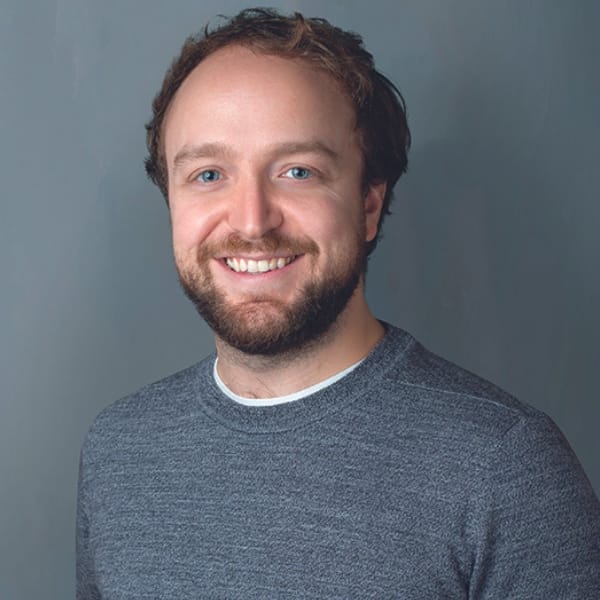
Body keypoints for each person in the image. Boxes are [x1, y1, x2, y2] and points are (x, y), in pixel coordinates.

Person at [76, 8, 600, 598]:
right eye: (208, 175)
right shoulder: (118, 451)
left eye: (298, 171)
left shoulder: (506, 468)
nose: (252, 221)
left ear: (368, 206)